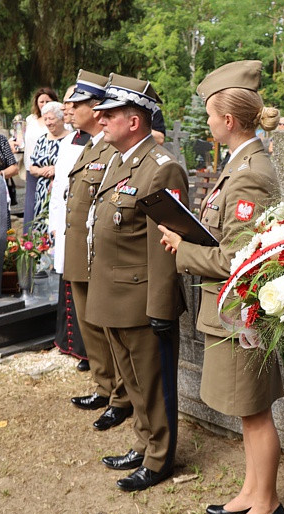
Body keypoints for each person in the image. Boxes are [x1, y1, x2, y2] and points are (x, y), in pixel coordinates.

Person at [156, 60, 284, 514]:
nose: (208, 123)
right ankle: (252, 492)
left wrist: (181, 248)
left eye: (210, 115)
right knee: (246, 412)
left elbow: (237, 257)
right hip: (229, 312)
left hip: (239, 314)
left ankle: (267, 504)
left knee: (254, 413)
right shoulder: (242, 164)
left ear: (227, 121)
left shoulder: (250, 172)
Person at [88, 73, 189, 492]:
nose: (100, 119)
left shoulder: (162, 169)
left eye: (109, 114)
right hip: (112, 295)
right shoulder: (118, 160)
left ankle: (161, 458)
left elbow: (164, 246)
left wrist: (161, 306)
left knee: (153, 383)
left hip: (142, 298)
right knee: (132, 382)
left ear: (134, 121)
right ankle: (145, 444)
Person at [64, 70, 132, 428]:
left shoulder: (111, 147)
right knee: (90, 325)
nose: (70, 109)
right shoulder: (89, 145)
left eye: (77, 104)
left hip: (99, 250)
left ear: (95, 107)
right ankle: (104, 385)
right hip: (79, 246)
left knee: (108, 326)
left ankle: (121, 396)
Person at [48, 85, 89, 369]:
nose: (66, 109)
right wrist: (53, 222)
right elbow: (58, 186)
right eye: (64, 104)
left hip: (83, 226)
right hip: (63, 221)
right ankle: (67, 341)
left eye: (71, 104)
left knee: (83, 288)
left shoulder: (97, 140)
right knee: (66, 282)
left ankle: (87, 350)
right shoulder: (67, 140)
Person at [28, 101, 69, 234]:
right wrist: (42, 170)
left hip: (63, 189)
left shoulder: (71, 138)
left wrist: (57, 170)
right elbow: (32, 167)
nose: (48, 122)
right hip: (42, 191)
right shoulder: (42, 139)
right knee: (41, 224)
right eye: (45, 119)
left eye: (51, 118)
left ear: (62, 118)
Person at [22, 87, 59, 226]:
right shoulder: (30, 119)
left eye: (47, 101)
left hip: (50, 169)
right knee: (31, 204)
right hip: (32, 168)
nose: (44, 104)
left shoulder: (59, 120)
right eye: (41, 101)